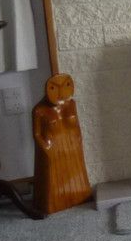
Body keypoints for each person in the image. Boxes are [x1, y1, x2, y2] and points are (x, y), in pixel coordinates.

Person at [32, 73, 92, 213]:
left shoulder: (71, 104)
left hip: (72, 145)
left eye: (65, 85)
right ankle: (53, 203)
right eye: (54, 88)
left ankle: (80, 195)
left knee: (77, 176)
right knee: (53, 177)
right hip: (53, 147)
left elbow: (76, 125)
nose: (60, 92)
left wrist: (79, 139)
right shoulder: (39, 110)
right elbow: (36, 134)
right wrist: (46, 148)